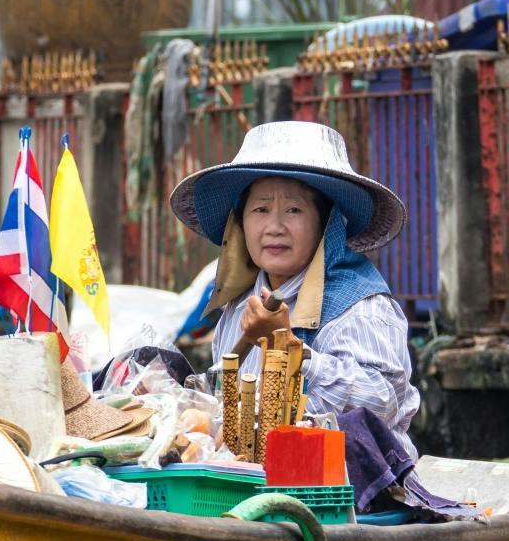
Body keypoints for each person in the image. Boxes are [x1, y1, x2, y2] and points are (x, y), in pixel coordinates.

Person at [169, 121, 420, 451]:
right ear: (241, 221)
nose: (274, 227)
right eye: (260, 209)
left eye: (294, 209)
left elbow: (380, 404)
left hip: (351, 492)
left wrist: (290, 349)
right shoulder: (240, 302)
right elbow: (224, 404)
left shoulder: (362, 304)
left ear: (325, 224)